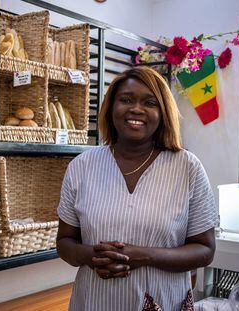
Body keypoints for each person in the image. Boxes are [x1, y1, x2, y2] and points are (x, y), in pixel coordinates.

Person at [56, 66, 219, 311]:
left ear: (162, 112)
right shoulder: (82, 166)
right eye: (126, 100)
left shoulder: (187, 167)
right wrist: (92, 256)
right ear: (111, 108)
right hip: (94, 301)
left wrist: (144, 256)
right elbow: (65, 242)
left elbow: (205, 250)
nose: (136, 109)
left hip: (164, 301)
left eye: (149, 102)